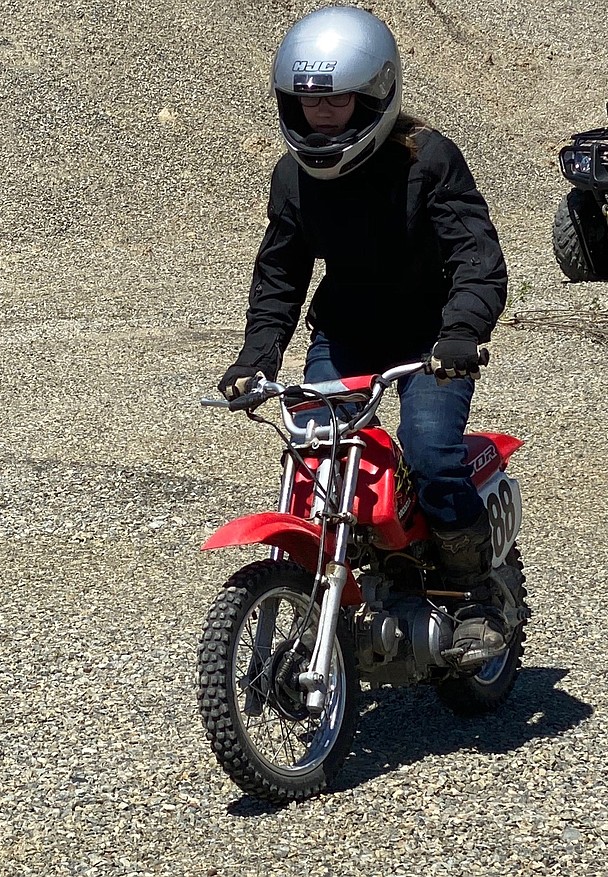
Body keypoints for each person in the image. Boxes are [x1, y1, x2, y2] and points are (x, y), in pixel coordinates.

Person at [217, 5, 510, 669]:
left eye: (338, 100)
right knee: (315, 454)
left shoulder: (428, 160)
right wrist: (256, 355)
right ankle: (335, 595)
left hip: (429, 339)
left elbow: (476, 256)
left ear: (376, 92)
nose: (320, 114)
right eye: (307, 101)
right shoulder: (294, 178)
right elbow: (280, 271)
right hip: (347, 333)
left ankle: (474, 595)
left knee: (430, 450)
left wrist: (462, 331)